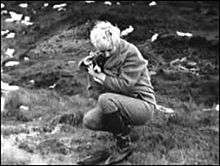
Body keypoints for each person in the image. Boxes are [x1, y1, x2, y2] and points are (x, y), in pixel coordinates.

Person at [79, 21, 157, 152]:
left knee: (105, 100)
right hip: (121, 101)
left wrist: (101, 76)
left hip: (142, 104)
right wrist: (89, 64)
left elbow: (125, 86)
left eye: (109, 50)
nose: (107, 54)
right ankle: (123, 128)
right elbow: (84, 64)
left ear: (116, 42)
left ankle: (123, 143)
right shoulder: (103, 53)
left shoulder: (131, 53)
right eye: (102, 51)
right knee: (89, 120)